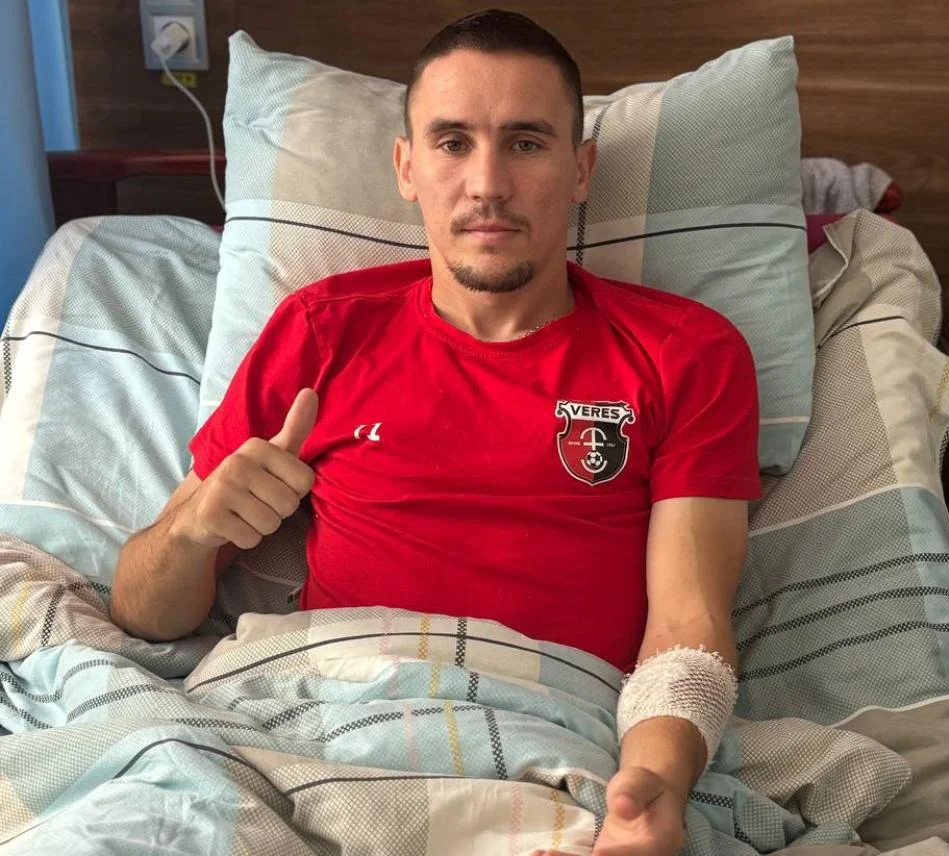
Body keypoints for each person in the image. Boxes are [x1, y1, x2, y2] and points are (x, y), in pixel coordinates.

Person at [111, 9, 760, 854]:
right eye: (453, 142)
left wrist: (654, 791)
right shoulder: (321, 332)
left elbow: (686, 631)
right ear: (407, 167)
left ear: (580, 169)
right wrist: (193, 533)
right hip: (308, 726)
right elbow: (143, 614)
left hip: (550, 742)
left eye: (526, 142)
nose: (487, 183)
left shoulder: (684, 352)